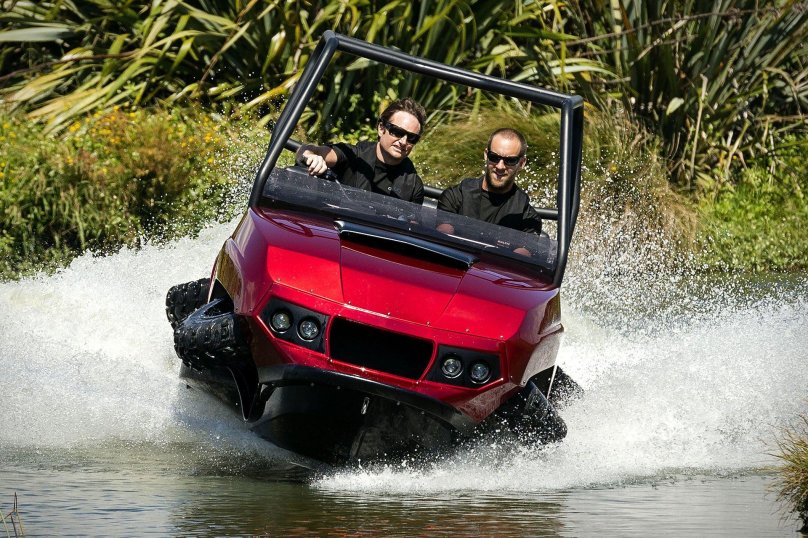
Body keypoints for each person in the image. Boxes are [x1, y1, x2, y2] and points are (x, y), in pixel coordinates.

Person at [295, 98, 426, 204]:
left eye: (412, 138)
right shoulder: (353, 156)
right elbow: (306, 150)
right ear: (381, 129)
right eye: (397, 132)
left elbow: (411, 226)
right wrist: (312, 157)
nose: (403, 141)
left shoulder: (413, 186)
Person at [437, 128, 541, 256]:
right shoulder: (455, 196)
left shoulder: (528, 218)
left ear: (521, 163)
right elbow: (442, 240)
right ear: (486, 155)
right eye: (494, 157)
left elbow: (520, 258)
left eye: (510, 161)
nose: (500, 166)